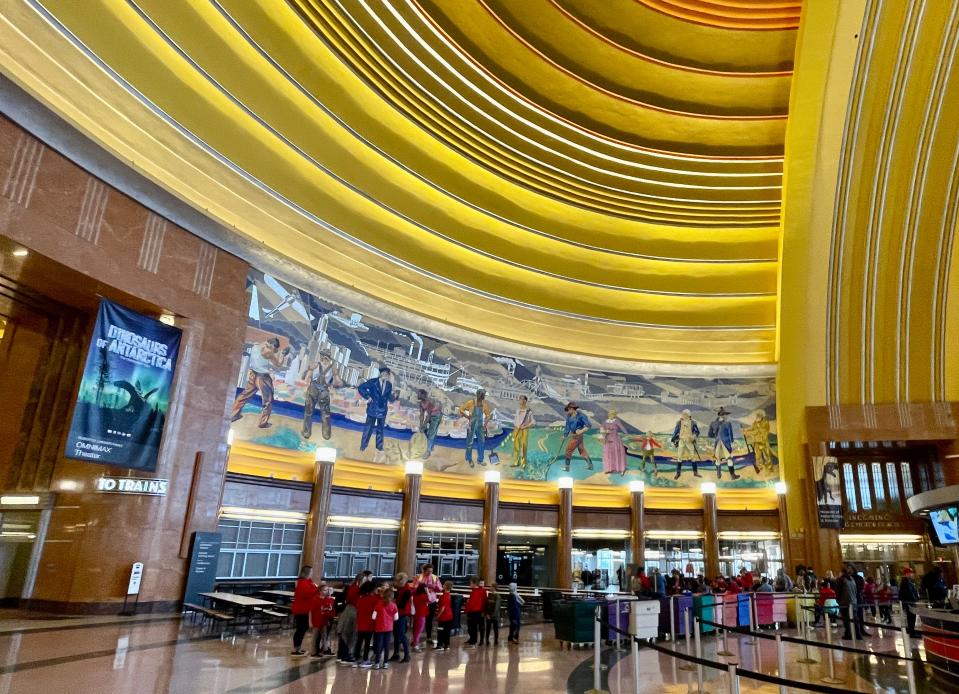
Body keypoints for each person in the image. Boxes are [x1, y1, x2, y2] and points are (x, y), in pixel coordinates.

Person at [231, 337, 289, 428]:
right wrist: (282, 354)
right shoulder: (269, 352)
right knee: (268, 401)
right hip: (263, 378)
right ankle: (263, 423)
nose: (274, 350)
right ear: (271, 345)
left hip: (253, 374)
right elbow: (278, 364)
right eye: (274, 348)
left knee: (244, 395)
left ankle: (233, 414)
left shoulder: (256, 346)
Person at [302, 351, 342, 440]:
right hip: (313, 388)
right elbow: (307, 377)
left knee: (326, 413)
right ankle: (306, 432)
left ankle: (326, 434)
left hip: (324, 390)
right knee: (308, 411)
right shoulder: (316, 365)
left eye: (326, 357)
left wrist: (335, 376)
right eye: (323, 356)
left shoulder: (333, 368)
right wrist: (306, 383)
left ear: (329, 358)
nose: (324, 358)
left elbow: (338, 383)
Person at [357, 365, 399, 452]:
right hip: (373, 409)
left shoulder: (389, 385)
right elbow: (361, 388)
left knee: (380, 430)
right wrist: (368, 397)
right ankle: (363, 446)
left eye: (387, 375)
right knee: (368, 428)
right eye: (385, 374)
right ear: (381, 374)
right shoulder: (373, 382)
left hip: (383, 410)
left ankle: (379, 447)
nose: (386, 376)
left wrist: (395, 397)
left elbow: (389, 398)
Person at [337, 570, 370, 664]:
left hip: (351, 610)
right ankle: (346, 655)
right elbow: (354, 600)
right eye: (364, 580)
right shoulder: (356, 589)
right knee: (349, 633)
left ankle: (342, 654)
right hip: (352, 611)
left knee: (347, 632)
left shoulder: (353, 587)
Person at [459, 389, 492, 466]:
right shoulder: (471, 402)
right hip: (471, 425)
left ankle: (480, 460)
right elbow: (461, 409)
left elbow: (488, 415)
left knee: (482, 442)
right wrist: (467, 417)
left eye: (483, 395)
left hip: (480, 426)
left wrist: (485, 424)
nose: (483, 396)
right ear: (479, 395)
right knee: (470, 442)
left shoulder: (484, 405)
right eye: (482, 395)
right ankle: (469, 459)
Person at [291, 565, 318, 656]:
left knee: (303, 629)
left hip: (306, 609)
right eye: (311, 572)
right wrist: (317, 590)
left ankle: (298, 647)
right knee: (301, 629)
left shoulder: (309, 582)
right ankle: (296, 649)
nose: (312, 574)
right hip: (301, 610)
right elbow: (306, 594)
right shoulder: (302, 582)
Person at [413, 563, 442, 645]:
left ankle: (429, 637)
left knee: (429, 619)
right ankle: (415, 638)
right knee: (418, 620)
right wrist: (421, 586)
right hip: (421, 601)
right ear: (424, 571)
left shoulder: (434, 577)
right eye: (428, 571)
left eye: (431, 571)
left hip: (431, 601)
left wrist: (433, 586)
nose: (430, 573)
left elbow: (440, 588)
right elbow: (414, 587)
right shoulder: (418, 577)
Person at [352, 581, 380, 667]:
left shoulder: (361, 598)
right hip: (370, 624)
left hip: (361, 623)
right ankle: (365, 659)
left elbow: (358, 610)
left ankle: (356, 659)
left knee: (359, 642)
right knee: (367, 642)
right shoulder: (375, 599)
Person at [708, 407, 740, 480]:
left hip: (717, 443)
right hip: (726, 443)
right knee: (729, 459)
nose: (726, 416)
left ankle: (719, 474)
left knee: (718, 459)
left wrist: (716, 436)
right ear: (723, 415)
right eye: (725, 414)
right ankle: (732, 475)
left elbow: (710, 435)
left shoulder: (713, 423)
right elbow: (730, 434)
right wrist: (732, 442)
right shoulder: (728, 423)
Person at [562, 402, 594, 473]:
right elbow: (567, 427)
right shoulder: (569, 416)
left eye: (569, 409)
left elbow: (589, 425)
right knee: (582, 450)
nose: (568, 411)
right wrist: (565, 435)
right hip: (574, 435)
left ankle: (567, 467)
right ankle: (590, 465)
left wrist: (581, 430)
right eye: (568, 409)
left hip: (578, 436)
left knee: (568, 450)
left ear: (573, 409)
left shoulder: (581, 416)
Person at [670, 410, 701, 479]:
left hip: (689, 441)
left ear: (689, 415)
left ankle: (695, 472)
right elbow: (675, 431)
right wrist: (673, 439)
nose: (684, 416)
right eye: (683, 414)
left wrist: (693, 437)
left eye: (686, 414)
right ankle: (678, 473)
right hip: (681, 441)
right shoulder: (679, 423)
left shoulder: (693, 423)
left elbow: (697, 432)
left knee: (693, 456)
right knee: (679, 456)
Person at [372, 588, 398, 670]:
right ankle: (385, 663)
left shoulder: (378, 604)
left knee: (379, 645)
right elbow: (396, 618)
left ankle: (377, 663)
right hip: (389, 628)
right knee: (387, 646)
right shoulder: (394, 605)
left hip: (379, 628)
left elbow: (373, 617)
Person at [390, 573, 413, 663]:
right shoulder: (401, 589)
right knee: (396, 634)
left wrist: (392, 602)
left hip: (402, 614)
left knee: (401, 635)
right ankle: (396, 654)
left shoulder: (407, 590)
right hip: (397, 613)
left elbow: (402, 605)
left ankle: (407, 655)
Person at [837, 566, 864, 640]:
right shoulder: (852, 579)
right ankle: (858, 635)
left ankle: (848, 634)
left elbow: (838, 591)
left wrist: (838, 600)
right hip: (853, 601)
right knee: (854, 619)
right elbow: (855, 591)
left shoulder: (842, 579)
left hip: (845, 602)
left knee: (846, 620)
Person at [310, 583, 336, 657]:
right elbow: (311, 611)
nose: (326, 592)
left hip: (324, 621)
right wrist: (310, 622)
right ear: (320, 591)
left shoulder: (326, 599)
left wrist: (328, 620)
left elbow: (327, 611)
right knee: (315, 637)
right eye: (325, 590)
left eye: (327, 590)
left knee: (324, 636)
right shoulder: (315, 599)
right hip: (316, 621)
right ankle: (313, 652)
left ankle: (325, 649)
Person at [417, 389, 443, 457]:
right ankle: (430, 447)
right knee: (425, 431)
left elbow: (428, 416)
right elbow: (422, 415)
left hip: (436, 416)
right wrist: (421, 425)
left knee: (431, 433)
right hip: (431, 415)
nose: (418, 395)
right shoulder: (421, 403)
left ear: (423, 395)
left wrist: (424, 425)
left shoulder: (429, 402)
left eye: (419, 394)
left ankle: (427, 452)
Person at [600, 410, 627, 475]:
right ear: (609, 414)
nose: (613, 415)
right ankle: (609, 468)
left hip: (615, 439)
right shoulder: (605, 421)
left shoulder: (616, 421)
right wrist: (604, 431)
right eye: (611, 414)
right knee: (608, 454)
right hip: (607, 439)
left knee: (617, 453)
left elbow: (622, 428)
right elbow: (601, 428)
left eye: (614, 414)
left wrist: (626, 433)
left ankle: (620, 469)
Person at [464, 576, 488, 646]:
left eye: (471, 583)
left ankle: (473, 641)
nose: (470, 584)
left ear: (474, 584)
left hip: (475, 612)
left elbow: (474, 603)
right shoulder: (474, 591)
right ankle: (472, 639)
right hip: (473, 612)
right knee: (471, 627)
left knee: (473, 627)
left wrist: (467, 610)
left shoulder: (478, 591)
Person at [511, 395, 534, 468]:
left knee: (524, 446)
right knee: (516, 446)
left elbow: (533, 422)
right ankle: (515, 462)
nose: (521, 401)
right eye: (520, 399)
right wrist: (515, 428)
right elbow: (516, 421)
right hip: (517, 429)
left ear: (525, 401)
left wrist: (525, 426)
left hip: (524, 430)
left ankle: (523, 463)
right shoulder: (517, 410)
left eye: (522, 399)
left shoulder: (529, 411)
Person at [899, 567, 920, 637]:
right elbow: (909, 593)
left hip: (908, 602)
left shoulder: (906, 581)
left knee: (911, 618)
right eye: (911, 573)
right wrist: (915, 599)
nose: (912, 574)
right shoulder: (906, 582)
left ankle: (911, 631)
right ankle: (912, 632)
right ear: (907, 574)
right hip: (909, 603)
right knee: (911, 617)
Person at [435, 581, 454, 650]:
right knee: (447, 631)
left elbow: (443, 608)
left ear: (446, 586)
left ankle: (439, 644)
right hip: (449, 616)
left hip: (444, 616)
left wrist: (438, 616)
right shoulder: (449, 595)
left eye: (444, 584)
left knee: (440, 630)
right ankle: (446, 645)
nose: (442, 585)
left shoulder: (444, 596)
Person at [411, 583, 430, 652]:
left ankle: (414, 642)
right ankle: (415, 645)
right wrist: (427, 591)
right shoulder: (423, 596)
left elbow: (413, 591)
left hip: (416, 613)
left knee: (416, 629)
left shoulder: (416, 594)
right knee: (419, 630)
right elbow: (430, 599)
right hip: (421, 614)